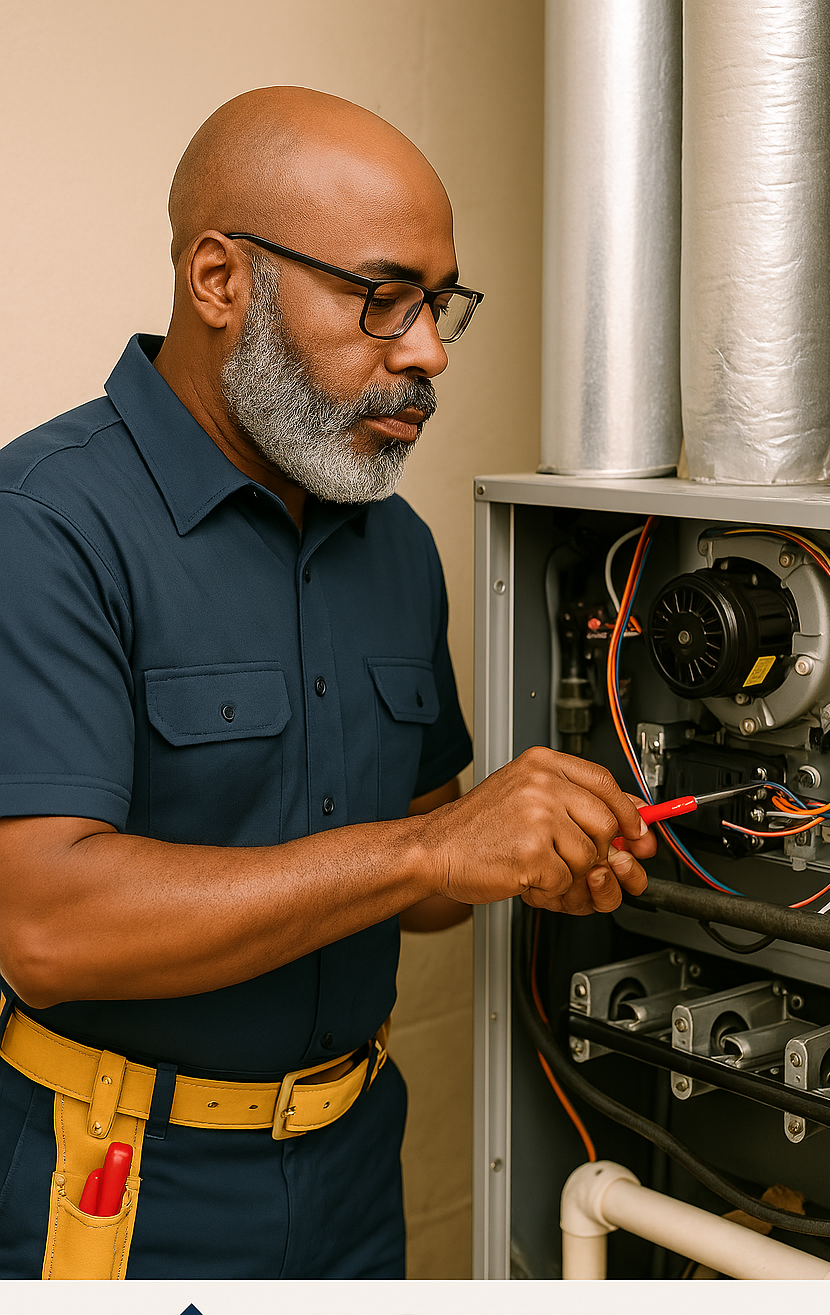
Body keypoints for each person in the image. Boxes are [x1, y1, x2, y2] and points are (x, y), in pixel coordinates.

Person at [0, 87, 655, 1280]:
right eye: (381, 297)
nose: (427, 350)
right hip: (120, 1185)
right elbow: (45, 925)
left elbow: (427, 875)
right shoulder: (44, 522)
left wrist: (523, 845)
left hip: (354, 1163)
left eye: (439, 302)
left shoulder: (388, 542)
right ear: (219, 280)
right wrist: (428, 851)